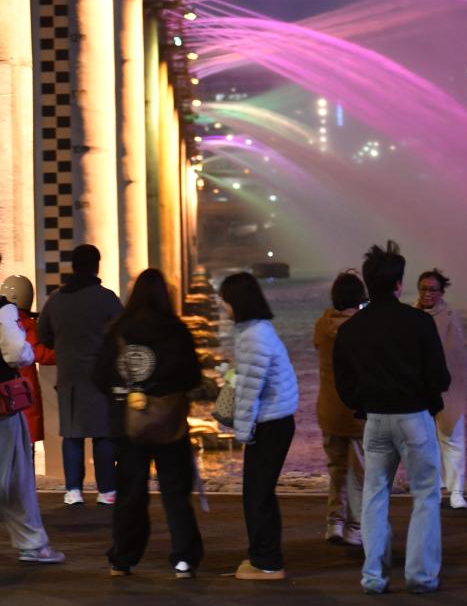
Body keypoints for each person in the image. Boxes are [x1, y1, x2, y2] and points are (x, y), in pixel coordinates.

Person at [333, 241, 450, 594]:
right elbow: (440, 377)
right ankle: (421, 576)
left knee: (374, 495)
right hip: (414, 416)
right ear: (399, 284)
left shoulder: (351, 328)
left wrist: (360, 403)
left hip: (375, 420)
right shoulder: (418, 322)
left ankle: (373, 576)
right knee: (426, 495)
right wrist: (429, 400)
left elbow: (344, 381)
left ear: (369, 284)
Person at [93, 268, 203, 578]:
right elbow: (192, 376)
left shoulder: (119, 330)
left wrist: (128, 392)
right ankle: (183, 559)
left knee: (130, 493)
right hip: (169, 424)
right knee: (175, 492)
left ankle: (123, 558)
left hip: (129, 425)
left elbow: (100, 376)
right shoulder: (176, 330)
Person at [220, 272, 298, 581]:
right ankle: (263, 556)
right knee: (260, 494)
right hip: (274, 420)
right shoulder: (255, 330)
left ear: (236, 302)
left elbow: (251, 388)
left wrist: (241, 431)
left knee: (257, 495)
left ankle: (267, 562)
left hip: (270, 423)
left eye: (224, 299)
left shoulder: (254, 336)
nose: (221, 304)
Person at [37, 244, 122, 505]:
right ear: (97, 265)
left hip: (69, 377)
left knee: (72, 435)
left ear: (73, 266)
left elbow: (43, 336)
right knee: (103, 434)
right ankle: (106, 490)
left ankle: (73, 490)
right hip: (100, 377)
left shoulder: (56, 300)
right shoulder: (106, 298)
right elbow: (122, 334)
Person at [0, 285, 64, 563]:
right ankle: (33, 545)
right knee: (15, 476)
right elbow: (17, 353)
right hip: (2, 409)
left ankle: (32, 543)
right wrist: (27, 349)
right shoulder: (3, 310)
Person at [314, 270, 366, 545]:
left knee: (336, 469)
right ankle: (355, 527)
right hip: (357, 412)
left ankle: (334, 522)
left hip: (329, 410)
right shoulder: (364, 327)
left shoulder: (322, 325)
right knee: (359, 473)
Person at [416, 268, 467, 508]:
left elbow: (456, 355)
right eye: (424, 289)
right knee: (426, 441)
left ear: (441, 292)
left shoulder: (449, 316)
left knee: (453, 437)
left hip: (448, 386)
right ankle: (433, 487)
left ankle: (456, 490)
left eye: (433, 289)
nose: (428, 294)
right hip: (419, 388)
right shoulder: (411, 314)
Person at [1, 275, 56, 449]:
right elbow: (41, 354)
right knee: (23, 448)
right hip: (20, 393)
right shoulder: (26, 324)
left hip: (8, 393)